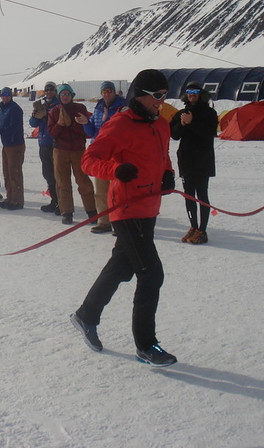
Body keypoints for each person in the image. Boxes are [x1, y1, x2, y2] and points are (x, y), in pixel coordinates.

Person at [70, 69, 177, 367]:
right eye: (157, 96)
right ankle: (146, 345)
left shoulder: (161, 124)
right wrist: (115, 170)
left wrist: (167, 172)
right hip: (126, 209)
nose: (161, 101)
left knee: (121, 265)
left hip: (149, 207)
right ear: (139, 95)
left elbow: (163, 154)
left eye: (165, 95)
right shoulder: (119, 124)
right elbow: (89, 160)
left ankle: (86, 315)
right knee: (151, 274)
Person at [170, 81, 218, 245]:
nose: (192, 94)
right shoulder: (182, 113)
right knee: (188, 194)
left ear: (201, 94)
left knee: (202, 194)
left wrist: (192, 123)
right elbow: (174, 134)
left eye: (195, 92)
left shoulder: (209, 112)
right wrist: (183, 124)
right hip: (186, 159)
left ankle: (202, 230)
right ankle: (193, 226)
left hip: (203, 159)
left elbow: (209, 133)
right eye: (189, 91)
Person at [47, 84, 96, 225]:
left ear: (72, 95)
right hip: (60, 150)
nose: (65, 96)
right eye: (62, 94)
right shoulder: (54, 111)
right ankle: (66, 212)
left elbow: (86, 130)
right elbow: (52, 133)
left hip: (78, 150)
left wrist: (75, 125)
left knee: (83, 180)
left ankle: (92, 211)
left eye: (67, 94)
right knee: (62, 182)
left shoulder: (80, 108)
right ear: (59, 96)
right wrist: (60, 124)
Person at [83, 81, 128, 234]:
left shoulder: (123, 107)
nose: (107, 94)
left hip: (116, 153)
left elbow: (122, 129)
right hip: (99, 153)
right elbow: (92, 131)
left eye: (109, 91)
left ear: (114, 92)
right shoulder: (99, 107)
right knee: (101, 190)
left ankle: (119, 222)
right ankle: (104, 221)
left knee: (117, 190)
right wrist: (85, 123)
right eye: (104, 92)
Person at [0, 87, 25, 210]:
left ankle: (17, 201)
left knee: (15, 173)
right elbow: (3, 126)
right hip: (7, 144)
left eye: (7, 95)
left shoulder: (15, 109)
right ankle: (10, 198)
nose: (5, 97)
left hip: (15, 144)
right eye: (3, 95)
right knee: (7, 173)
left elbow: (12, 128)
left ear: (11, 96)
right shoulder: (3, 109)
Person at [29, 81, 61, 214]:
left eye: (51, 89)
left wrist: (47, 116)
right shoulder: (41, 104)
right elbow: (32, 123)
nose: (49, 92)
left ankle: (62, 203)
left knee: (58, 175)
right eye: (47, 90)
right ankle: (54, 201)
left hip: (55, 143)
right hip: (43, 143)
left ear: (55, 91)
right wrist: (35, 115)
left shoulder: (59, 105)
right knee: (48, 174)